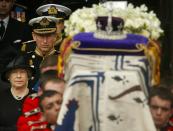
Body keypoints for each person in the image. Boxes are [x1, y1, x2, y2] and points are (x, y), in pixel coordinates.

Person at [0, 55, 35, 130]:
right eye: (14, 72)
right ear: (8, 77)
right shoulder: (1, 97)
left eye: (22, 72)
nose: (19, 76)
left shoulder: (37, 97)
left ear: (28, 76)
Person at [23, 16, 60, 88]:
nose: (45, 41)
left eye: (49, 36)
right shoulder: (24, 59)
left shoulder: (63, 59)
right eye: (41, 36)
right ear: (34, 36)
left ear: (55, 36)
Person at [0, 0, 32, 70]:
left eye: (7, 1)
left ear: (12, 3)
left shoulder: (23, 28)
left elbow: (27, 54)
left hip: (12, 72)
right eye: (1, 0)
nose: (3, 4)